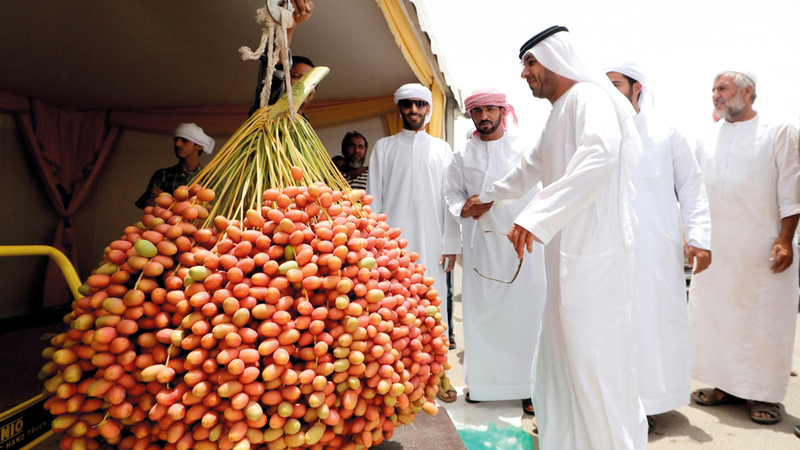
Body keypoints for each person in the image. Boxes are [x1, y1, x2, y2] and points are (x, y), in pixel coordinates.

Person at [463, 26, 647, 448]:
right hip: (568, 255)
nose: (524, 74)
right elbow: (530, 167)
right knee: (563, 356)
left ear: (556, 59)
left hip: (596, 253)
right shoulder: (560, 111)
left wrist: (536, 216)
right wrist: (488, 197)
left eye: (530, 63)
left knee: (593, 357)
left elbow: (600, 155)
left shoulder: (589, 98)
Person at [604, 61, 712, 432]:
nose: (608, 93)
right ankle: (613, 404)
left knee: (651, 324)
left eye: (616, 85)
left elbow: (692, 185)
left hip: (655, 252)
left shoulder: (666, 131)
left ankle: (648, 404)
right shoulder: (598, 132)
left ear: (637, 88)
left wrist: (699, 238)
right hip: (606, 248)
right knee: (610, 323)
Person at [688, 70, 800, 425]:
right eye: (713, 90)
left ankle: (765, 395)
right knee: (719, 317)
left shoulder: (779, 131)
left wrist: (785, 238)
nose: (715, 95)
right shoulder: (706, 137)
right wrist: (691, 237)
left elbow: (792, 191)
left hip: (763, 250)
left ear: (747, 91)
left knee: (763, 323)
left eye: (723, 88)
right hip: (717, 251)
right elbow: (693, 192)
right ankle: (726, 388)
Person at [443, 87, 546, 414]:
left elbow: (542, 190)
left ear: (503, 111)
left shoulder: (525, 147)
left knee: (526, 315)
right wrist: (463, 209)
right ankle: (484, 385)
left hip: (522, 246)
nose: (484, 116)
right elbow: (451, 194)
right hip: (481, 248)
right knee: (481, 315)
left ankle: (530, 388)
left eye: (490, 109)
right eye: (477, 111)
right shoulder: (462, 155)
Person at [366, 83, 461, 402]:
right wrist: (375, 245)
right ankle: (397, 383)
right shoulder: (384, 147)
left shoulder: (442, 149)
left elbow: (450, 199)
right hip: (392, 248)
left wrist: (451, 242)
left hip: (434, 245)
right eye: (407, 104)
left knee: (435, 309)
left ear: (428, 109)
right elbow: (373, 198)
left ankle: (440, 378)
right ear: (399, 108)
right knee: (394, 314)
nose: (414, 110)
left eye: (420, 104)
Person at [135, 123, 215, 209]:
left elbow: (208, 208)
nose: (177, 144)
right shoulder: (162, 174)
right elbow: (147, 202)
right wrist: (188, 202)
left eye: (184, 140)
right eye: (176, 140)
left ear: (199, 146)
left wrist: (167, 200)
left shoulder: (210, 178)